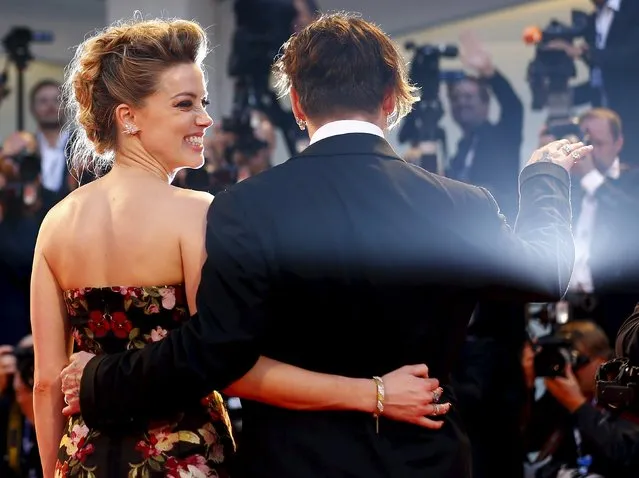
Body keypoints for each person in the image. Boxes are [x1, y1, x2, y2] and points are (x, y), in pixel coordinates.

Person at [60, 12, 589, 478]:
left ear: (296, 104)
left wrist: (103, 379)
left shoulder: (245, 206)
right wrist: (544, 176)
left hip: (291, 462)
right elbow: (546, 272)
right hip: (422, 462)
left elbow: (214, 350)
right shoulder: (459, 204)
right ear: (390, 99)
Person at [30, 17, 448, 478]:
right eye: (185, 104)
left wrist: (54, 470)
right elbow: (227, 363)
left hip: (81, 459)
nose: (205, 118)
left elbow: (48, 384)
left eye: (203, 102)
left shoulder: (55, 223)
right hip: (183, 459)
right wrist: (375, 394)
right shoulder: (197, 213)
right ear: (128, 117)